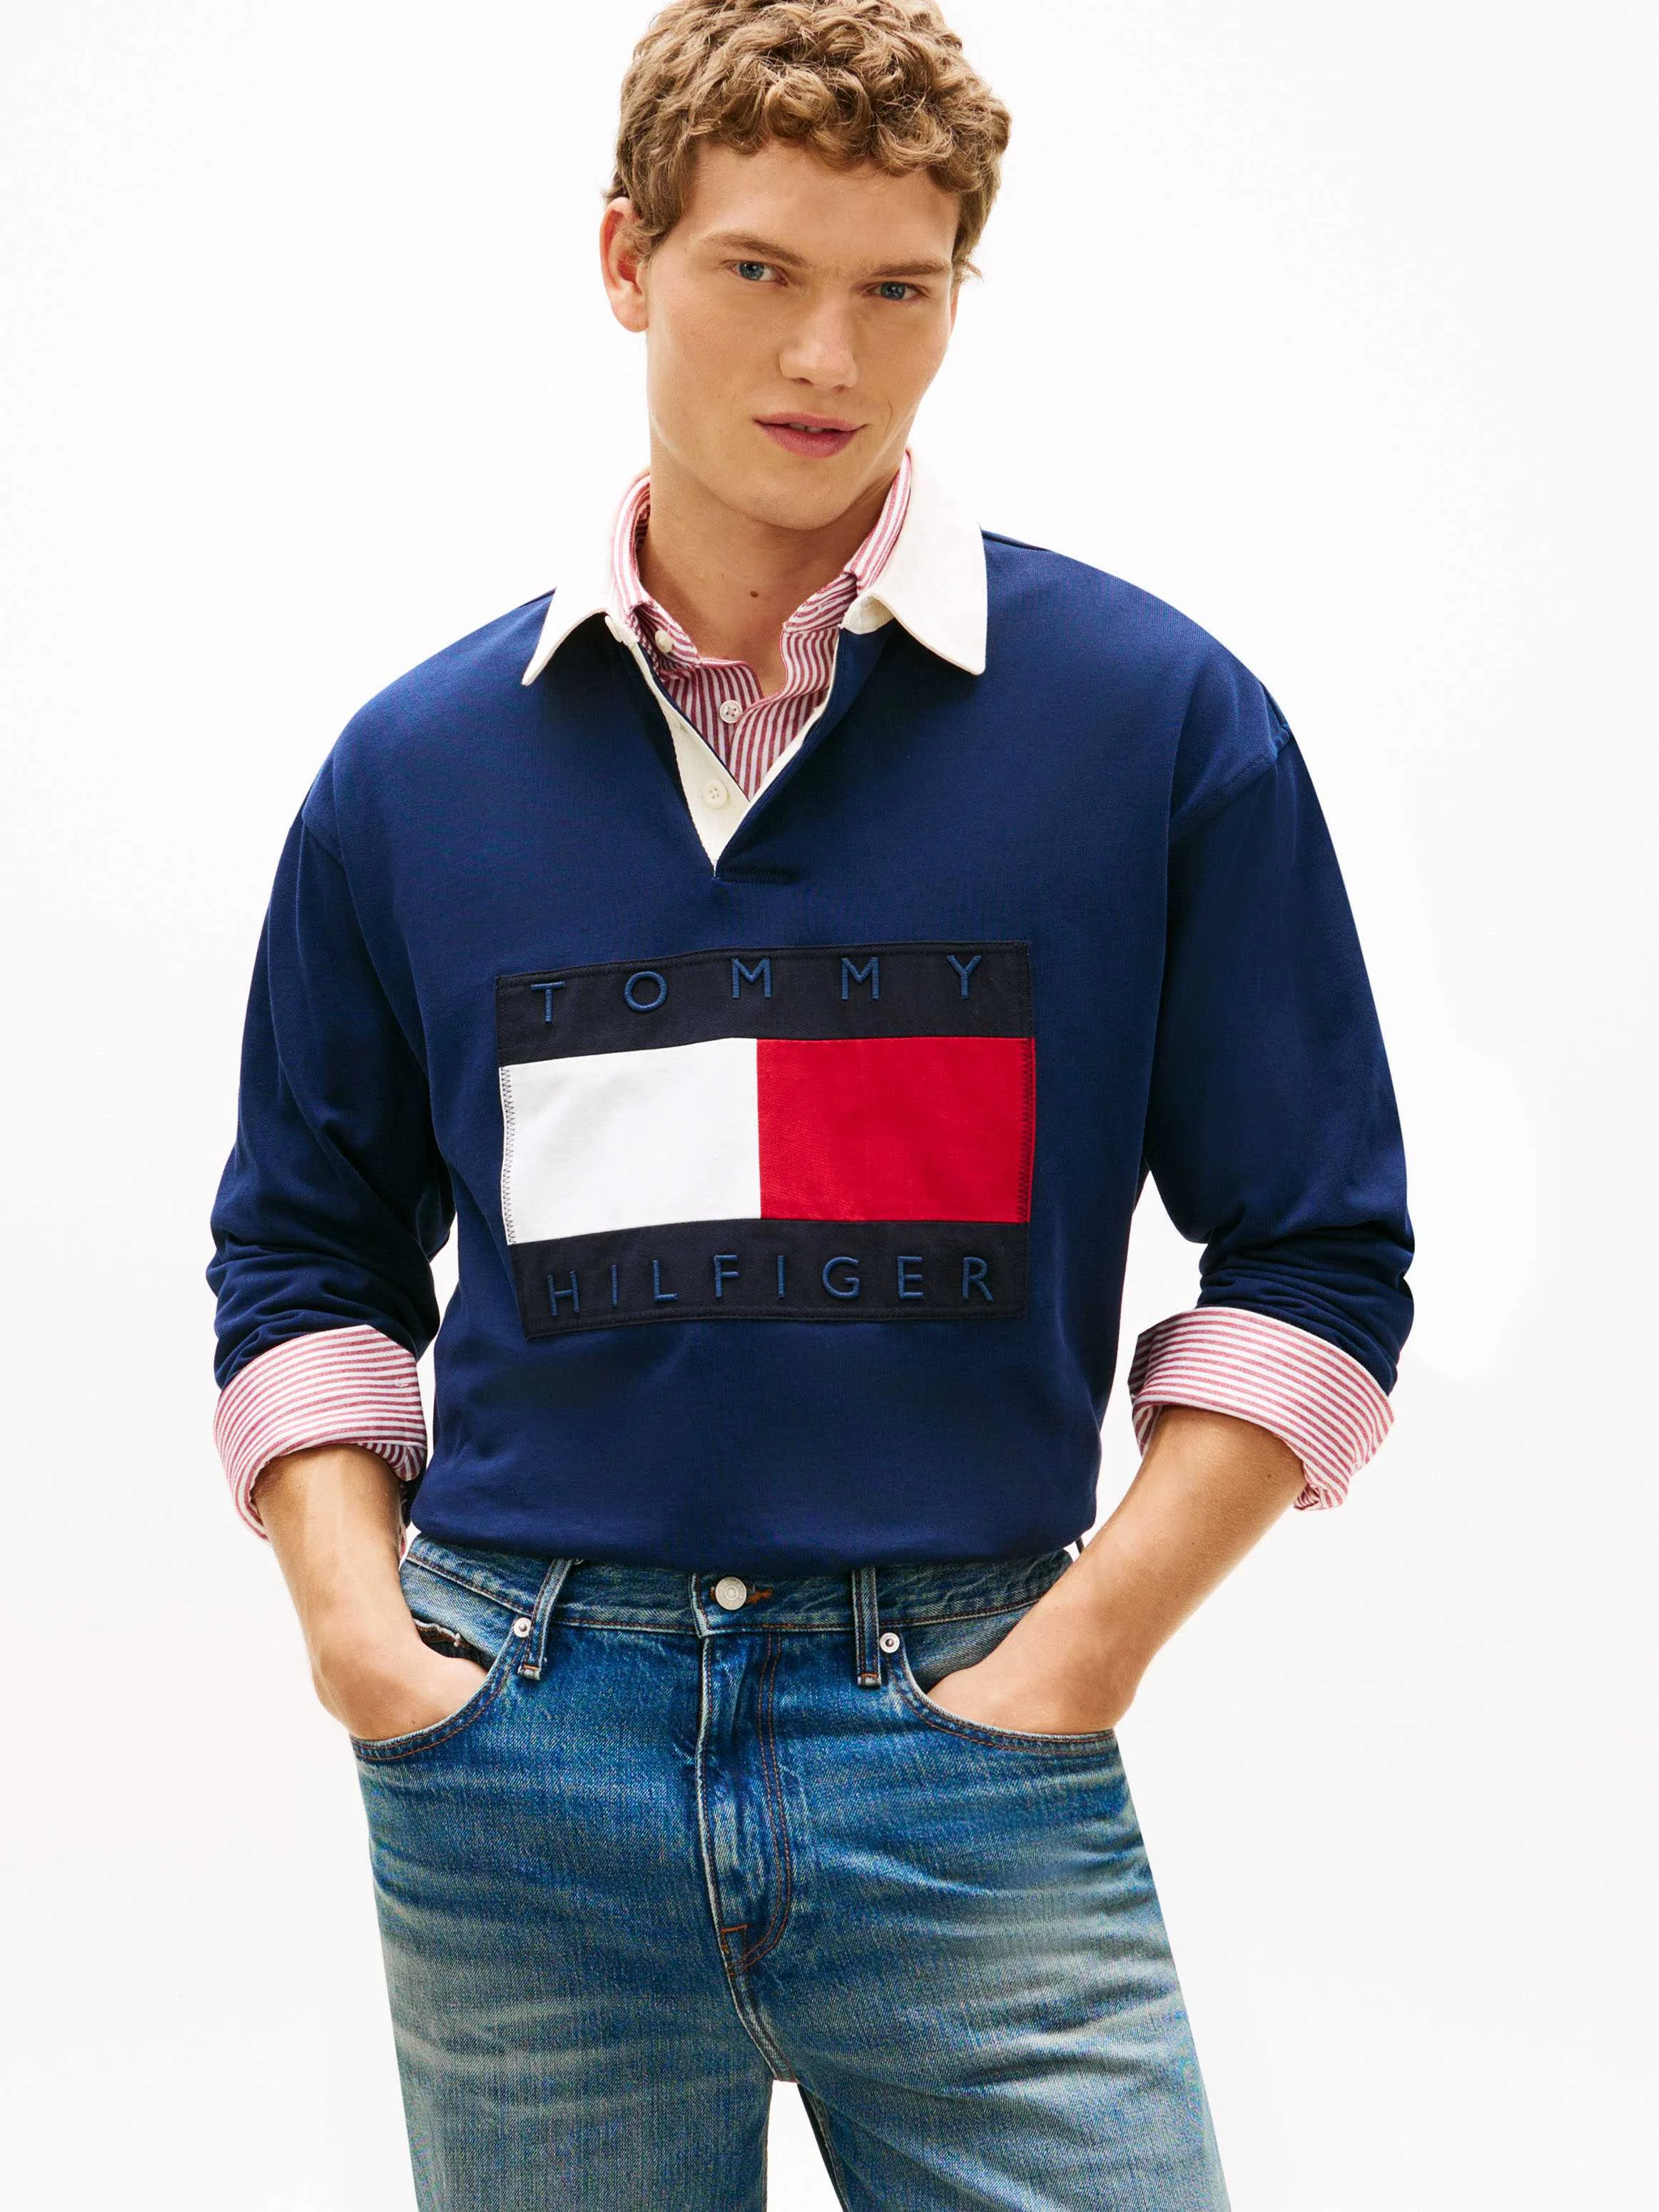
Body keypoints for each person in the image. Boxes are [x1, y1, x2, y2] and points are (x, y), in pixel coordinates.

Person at [207, 2, 1413, 2204]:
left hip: (966, 1733)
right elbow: (304, 1252)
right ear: (624, 258)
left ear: (958, 293)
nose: (827, 358)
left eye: (897, 288)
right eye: (756, 269)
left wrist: (1078, 1651)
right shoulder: (413, 773)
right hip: (519, 1748)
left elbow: (1318, 1256)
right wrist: (365, 1644)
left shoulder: (1152, 725)